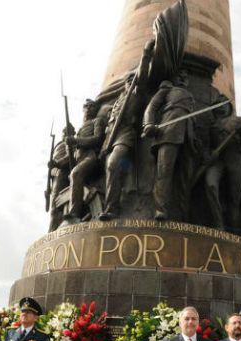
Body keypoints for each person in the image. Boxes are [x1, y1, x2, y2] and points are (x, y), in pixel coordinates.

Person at [99, 39, 154, 221]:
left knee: (114, 164)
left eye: (133, 80)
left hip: (126, 135)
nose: (130, 82)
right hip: (110, 138)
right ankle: (110, 206)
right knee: (108, 169)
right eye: (128, 80)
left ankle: (112, 208)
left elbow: (143, 74)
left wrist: (145, 52)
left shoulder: (136, 93)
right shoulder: (117, 101)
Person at [142, 69, 196, 221]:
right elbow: (151, 107)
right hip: (169, 131)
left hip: (188, 135)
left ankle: (183, 213)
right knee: (164, 172)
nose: (183, 78)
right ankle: (161, 210)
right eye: (180, 76)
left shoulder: (190, 96)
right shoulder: (167, 89)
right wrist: (148, 124)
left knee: (185, 177)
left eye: (185, 76)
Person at [61, 99, 107, 225]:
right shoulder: (80, 127)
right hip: (79, 159)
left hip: (90, 156)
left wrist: (76, 141)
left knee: (75, 174)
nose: (90, 108)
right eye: (87, 106)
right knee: (75, 178)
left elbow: (97, 139)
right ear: (83, 108)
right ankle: (83, 211)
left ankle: (75, 213)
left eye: (93, 107)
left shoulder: (97, 121)